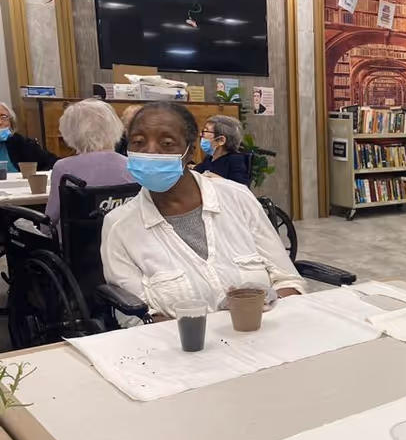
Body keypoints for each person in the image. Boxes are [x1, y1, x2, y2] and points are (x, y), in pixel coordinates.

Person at [101, 101, 304, 321]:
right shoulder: (120, 226)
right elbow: (137, 316)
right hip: (184, 349)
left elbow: (288, 281)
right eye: (138, 142)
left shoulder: (237, 198)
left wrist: (254, 314)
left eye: (167, 143)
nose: (150, 151)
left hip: (262, 337)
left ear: (191, 150)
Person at [46, 99, 135, 228]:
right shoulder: (131, 165)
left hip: (78, 244)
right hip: (123, 242)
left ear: (69, 131)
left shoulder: (63, 168)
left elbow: (50, 219)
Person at [0, 102, 58, 172]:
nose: (0, 122)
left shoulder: (21, 143)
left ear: (11, 122)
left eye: (3, 117)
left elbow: (52, 162)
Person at [193, 115, 249, 184]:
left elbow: (241, 189)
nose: (201, 134)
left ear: (221, 140)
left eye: (206, 131)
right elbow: (195, 172)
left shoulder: (235, 161)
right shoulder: (209, 159)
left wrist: (219, 180)